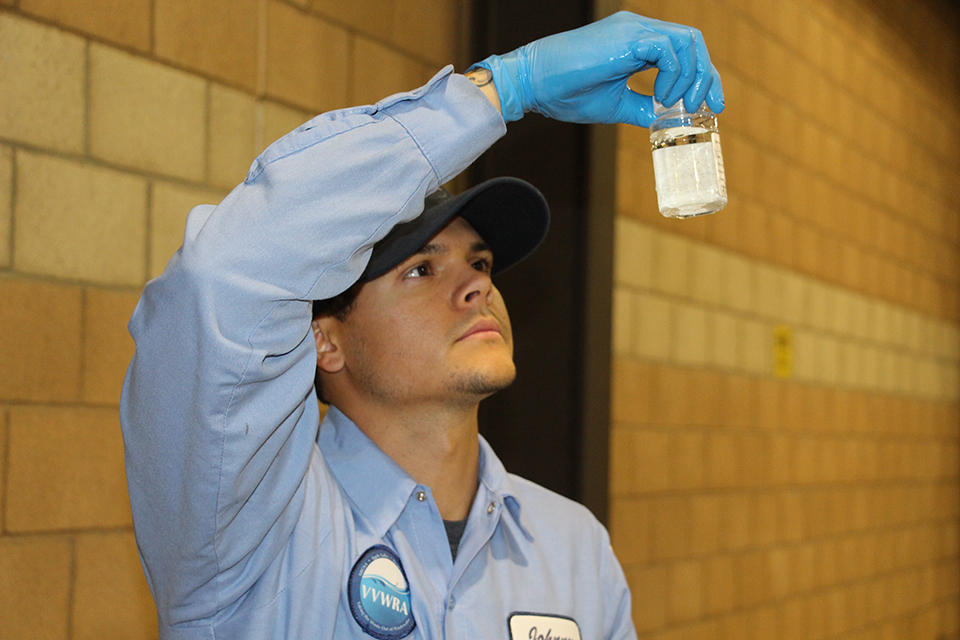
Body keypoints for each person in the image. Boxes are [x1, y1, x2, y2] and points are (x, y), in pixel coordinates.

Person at [120, 11, 723, 640]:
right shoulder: (246, 535)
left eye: (481, 262)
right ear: (324, 337)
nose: (478, 287)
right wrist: (504, 89)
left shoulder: (575, 548)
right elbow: (220, 277)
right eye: (420, 270)